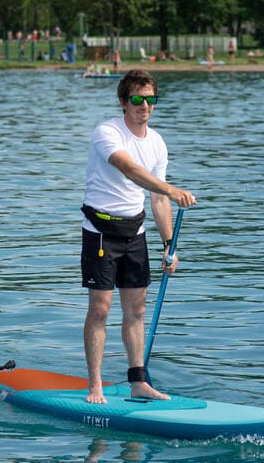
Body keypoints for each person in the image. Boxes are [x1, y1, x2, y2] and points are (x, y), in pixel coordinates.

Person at [81, 69, 197, 404]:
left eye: (150, 99)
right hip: (100, 232)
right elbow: (131, 170)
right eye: (136, 99)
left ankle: (138, 382)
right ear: (123, 101)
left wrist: (168, 245)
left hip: (135, 233)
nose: (144, 105)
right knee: (100, 310)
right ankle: (95, 386)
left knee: (137, 310)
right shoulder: (107, 133)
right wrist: (172, 189)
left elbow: (158, 200)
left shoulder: (158, 142)